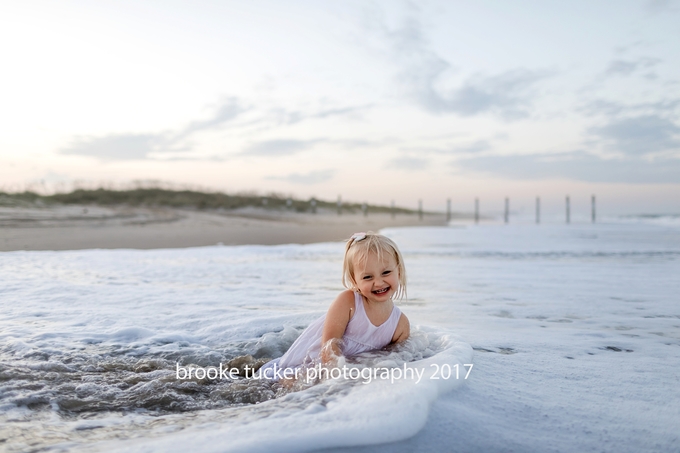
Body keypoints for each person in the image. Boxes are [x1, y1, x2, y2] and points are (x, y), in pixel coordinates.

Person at [257, 232, 410, 381]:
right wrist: (340, 378)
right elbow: (328, 348)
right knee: (283, 386)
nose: (378, 282)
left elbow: (392, 361)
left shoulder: (400, 325)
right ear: (354, 280)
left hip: (350, 373)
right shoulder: (349, 302)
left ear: (399, 271)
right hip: (310, 365)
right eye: (367, 277)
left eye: (386, 272)